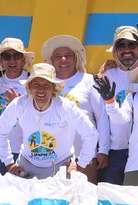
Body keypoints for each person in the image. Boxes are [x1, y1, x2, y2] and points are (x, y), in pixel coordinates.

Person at [0, 63, 98, 179]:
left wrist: (80, 166)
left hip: (60, 167)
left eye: (46, 85)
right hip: (26, 166)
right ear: (29, 86)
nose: (41, 89)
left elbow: (91, 134)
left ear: (53, 87)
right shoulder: (19, 104)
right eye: (36, 84)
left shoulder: (66, 107)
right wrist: (9, 164)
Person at [94, 22, 138, 183]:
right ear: (115, 51)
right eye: (121, 46)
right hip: (115, 152)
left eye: (132, 45)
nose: (127, 49)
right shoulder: (106, 75)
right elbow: (102, 117)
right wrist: (104, 150)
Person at [42, 34, 106, 174]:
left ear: (76, 57)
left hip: (85, 156)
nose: (63, 59)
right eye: (58, 56)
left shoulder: (89, 81)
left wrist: (103, 150)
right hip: (51, 158)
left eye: (68, 55)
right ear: (51, 60)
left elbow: (101, 117)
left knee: (84, 195)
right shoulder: (44, 85)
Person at [0, 36, 34, 172]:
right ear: (1, 60)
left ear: (23, 59)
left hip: (24, 152)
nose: (12, 60)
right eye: (7, 56)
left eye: (17, 56)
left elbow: (40, 115)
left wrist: (17, 106)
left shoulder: (31, 82)